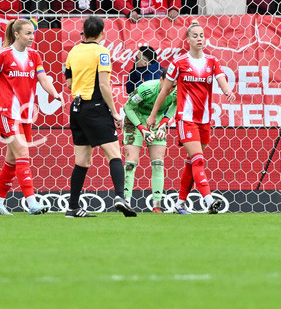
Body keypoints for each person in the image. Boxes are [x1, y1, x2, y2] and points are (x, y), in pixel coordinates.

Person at [0, 19, 60, 215]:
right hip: (7, 113)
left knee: (13, 160)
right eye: (27, 34)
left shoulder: (35, 55)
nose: (32, 37)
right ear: (16, 34)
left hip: (25, 115)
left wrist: (54, 93)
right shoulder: (2, 55)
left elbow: (42, 78)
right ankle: (32, 203)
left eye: (33, 34)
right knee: (23, 153)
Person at [148, 22, 237, 214]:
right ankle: (208, 200)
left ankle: (180, 204)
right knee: (198, 159)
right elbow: (165, 91)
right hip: (185, 119)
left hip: (204, 120)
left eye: (202, 35)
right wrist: (154, 115)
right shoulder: (179, 63)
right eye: (195, 35)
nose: (199, 39)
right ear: (187, 40)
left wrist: (228, 91)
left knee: (192, 162)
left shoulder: (212, 61)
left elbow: (222, 80)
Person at [64, 15, 134, 217]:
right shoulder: (102, 52)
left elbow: (69, 83)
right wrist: (114, 112)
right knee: (114, 153)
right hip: (95, 107)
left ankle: (73, 207)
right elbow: (104, 85)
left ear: (83, 33)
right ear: (102, 33)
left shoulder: (73, 51)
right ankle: (120, 197)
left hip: (76, 109)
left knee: (82, 161)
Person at [122, 78, 177, 214]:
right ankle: (126, 203)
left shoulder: (176, 91)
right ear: (161, 80)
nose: (170, 88)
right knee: (130, 162)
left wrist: (164, 122)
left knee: (158, 162)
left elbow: (175, 105)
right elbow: (127, 107)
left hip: (157, 121)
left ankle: (157, 205)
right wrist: (142, 128)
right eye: (169, 84)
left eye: (174, 86)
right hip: (135, 121)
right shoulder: (145, 89)